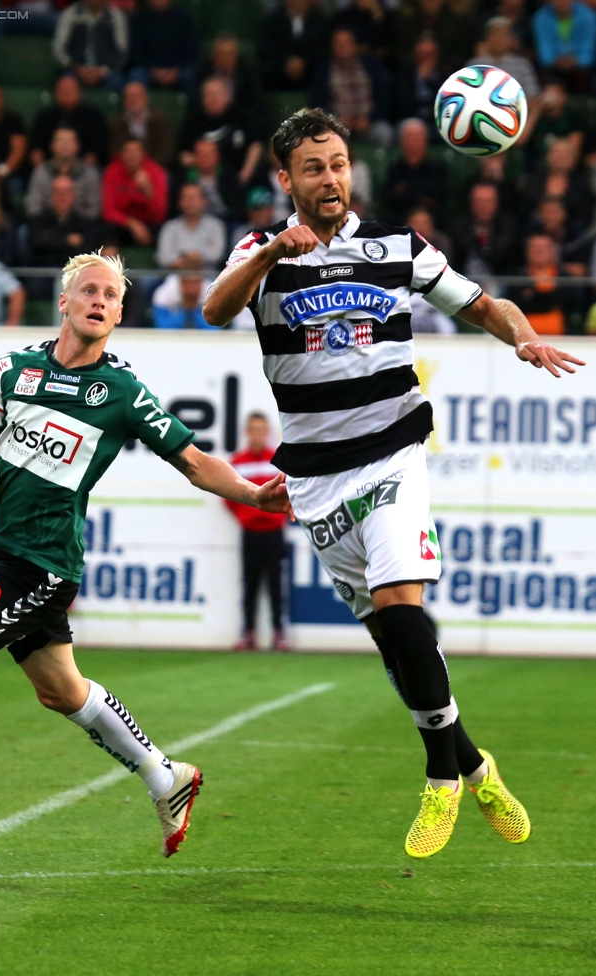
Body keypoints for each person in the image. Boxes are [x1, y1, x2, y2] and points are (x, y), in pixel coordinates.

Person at [203, 107, 585, 858]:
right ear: (286, 180)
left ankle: (440, 775)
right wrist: (274, 250)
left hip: (393, 452)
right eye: (313, 168)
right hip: (314, 478)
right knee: (392, 639)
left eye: (339, 163)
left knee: (399, 605)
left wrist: (523, 336)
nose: (331, 178)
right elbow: (214, 310)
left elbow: (480, 303)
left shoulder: (394, 243)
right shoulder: (260, 250)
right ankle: (474, 762)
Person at [0, 248, 290, 865]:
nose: (100, 301)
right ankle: (167, 777)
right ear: (65, 301)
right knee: (61, 692)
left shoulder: (121, 390)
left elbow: (193, 459)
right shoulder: (14, 368)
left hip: (42, 566)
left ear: (120, 313)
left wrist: (251, 492)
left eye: (111, 295)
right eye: (90, 291)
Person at [225, 412, 289, 651]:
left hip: (274, 532)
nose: (258, 434)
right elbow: (229, 496)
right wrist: (245, 516)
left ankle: (278, 634)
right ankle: (248, 633)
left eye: (262, 429)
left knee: (275, 585)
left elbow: (289, 490)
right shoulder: (238, 462)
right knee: (249, 585)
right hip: (250, 533)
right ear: (247, 432)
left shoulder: (277, 459)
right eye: (254, 429)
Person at [178, 77, 265, 188]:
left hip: (238, 176)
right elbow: (183, 155)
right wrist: (203, 163)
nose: (214, 98)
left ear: (228, 96)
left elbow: (256, 145)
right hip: (203, 179)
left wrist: (246, 172)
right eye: (209, 94)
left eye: (218, 94)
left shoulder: (241, 116)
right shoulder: (194, 121)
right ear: (202, 98)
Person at [29, 75, 109, 169]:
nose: (66, 94)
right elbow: (36, 149)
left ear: (79, 92)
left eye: (70, 91)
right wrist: (42, 172)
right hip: (50, 169)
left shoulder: (93, 116)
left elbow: (95, 150)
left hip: (83, 169)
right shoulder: (44, 117)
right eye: (62, 91)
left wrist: (81, 173)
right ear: (55, 93)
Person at [101, 137, 168, 246]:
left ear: (143, 154)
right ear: (121, 154)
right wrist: (131, 223)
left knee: (163, 231)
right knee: (106, 230)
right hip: (122, 224)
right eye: (128, 151)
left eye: (137, 151)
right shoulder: (111, 172)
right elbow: (109, 211)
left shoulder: (156, 172)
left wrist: (148, 191)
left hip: (148, 224)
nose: (132, 155)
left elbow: (160, 214)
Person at [28, 174, 99, 277]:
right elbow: (35, 245)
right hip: (44, 272)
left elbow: (87, 250)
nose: (62, 196)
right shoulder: (39, 220)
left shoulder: (84, 222)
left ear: (73, 195)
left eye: (67, 192)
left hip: (76, 273)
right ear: (51, 195)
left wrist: (52, 239)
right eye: (58, 192)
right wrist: (67, 240)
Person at [26, 127, 102, 221]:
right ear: (52, 146)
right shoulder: (40, 173)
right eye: (60, 140)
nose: (65, 144)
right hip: (47, 226)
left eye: (70, 141)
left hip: (82, 226)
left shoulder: (90, 173)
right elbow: (33, 208)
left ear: (78, 146)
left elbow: (94, 210)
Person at [53, 0, 128, 92]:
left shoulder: (116, 16)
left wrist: (102, 71)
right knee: (66, 83)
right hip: (75, 69)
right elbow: (59, 49)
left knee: (117, 82)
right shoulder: (70, 14)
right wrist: (76, 67)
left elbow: (122, 51)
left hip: (106, 70)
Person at [506, 234, 573, 335]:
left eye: (544, 247)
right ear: (527, 251)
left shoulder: (564, 276)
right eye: (534, 248)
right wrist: (551, 299)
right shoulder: (517, 277)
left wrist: (534, 295)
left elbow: (568, 302)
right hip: (524, 338)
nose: (539, 251)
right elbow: (516, 305)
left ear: (553, 251)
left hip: (561, 336)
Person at [449, 182, 519, 278]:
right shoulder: (458, 227)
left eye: (488, 201)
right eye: (478, 201)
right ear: (471, 204)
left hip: (502, 282)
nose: (483, 206)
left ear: (497, 203)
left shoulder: (510, 226)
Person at [385, 117, 446, 223]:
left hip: (432, 220)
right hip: (400, 220)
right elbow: (390, 199)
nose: (414, 142)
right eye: (409, 137)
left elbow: (438, 197)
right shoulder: (394, 169)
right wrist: (421, 194)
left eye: (418, 137)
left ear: (426, 140)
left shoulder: (438, 168)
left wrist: (406, 191)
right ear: (402, 141)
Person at [128, 0, 199, 92]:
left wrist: (176, 70)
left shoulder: (184, 18)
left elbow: (192, 51)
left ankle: (190, 104)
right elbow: (136, 52)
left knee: (190, 75)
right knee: (136, 75)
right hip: (149, 69)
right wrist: (153, 70)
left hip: (178, 69)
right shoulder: (138, 19)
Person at [258, 0, 327, 92]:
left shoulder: (320, 22)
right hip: (280, 73)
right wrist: (286, 63)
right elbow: (266, 49)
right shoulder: (272, 21)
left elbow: (322, 50)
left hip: (310, 73)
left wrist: (304, 63)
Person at [156, 182, 226, 271]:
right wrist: (189, 259)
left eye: (194, 197)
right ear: (179, 202)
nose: (190, 201)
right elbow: (163, 257)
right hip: (175, 275)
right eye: (185, 197)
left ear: (204, 201)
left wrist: (188, 257)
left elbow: (216, 254)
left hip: (207, 276)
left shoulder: (216, 226)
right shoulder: (170, 227)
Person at [192, 32, 263, 116]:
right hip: (207, 118)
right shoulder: (203, 71)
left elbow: (255, 102)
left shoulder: (248, 73)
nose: (226, 58)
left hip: (240, 119)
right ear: (214, 54)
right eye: (221, 53)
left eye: (230, 53)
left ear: (236, 55)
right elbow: (195, 101)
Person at [532, 0, 596, 93]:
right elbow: (544, 49)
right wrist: (554, 60)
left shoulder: (588, 16)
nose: (562, 2)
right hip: (552, 66)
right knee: (543, 70)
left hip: (581, 67)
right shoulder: (540, 17)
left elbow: (588, 47)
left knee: (583, 72)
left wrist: (578, 60)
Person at [107, 80, 174, 169]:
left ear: (146, 98)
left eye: (137, 96)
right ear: (124, 101)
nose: (133, 100)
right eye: (129, 97)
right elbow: (113, 150)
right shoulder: (115, 124)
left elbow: (166, 150)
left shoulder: (160, 122)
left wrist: (150, 168)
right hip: (124, 170)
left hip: (155, 168)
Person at [173, 139, 243, 224]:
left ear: (218, 156)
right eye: (201, 153)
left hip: (226, 221)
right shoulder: (183, 177)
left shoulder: (228, 176)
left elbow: (237, 206)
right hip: (192, 220)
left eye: (209, 154)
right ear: (194, 156)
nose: (205, 157)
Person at [151, 271, 216, 330]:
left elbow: (215, 329)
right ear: (180, 282)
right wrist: (184, 312)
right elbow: (162, 327)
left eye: (196, 283)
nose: (191, 288)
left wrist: (193, 311)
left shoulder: (212, 293)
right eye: (187, 282)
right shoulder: (164, 293)